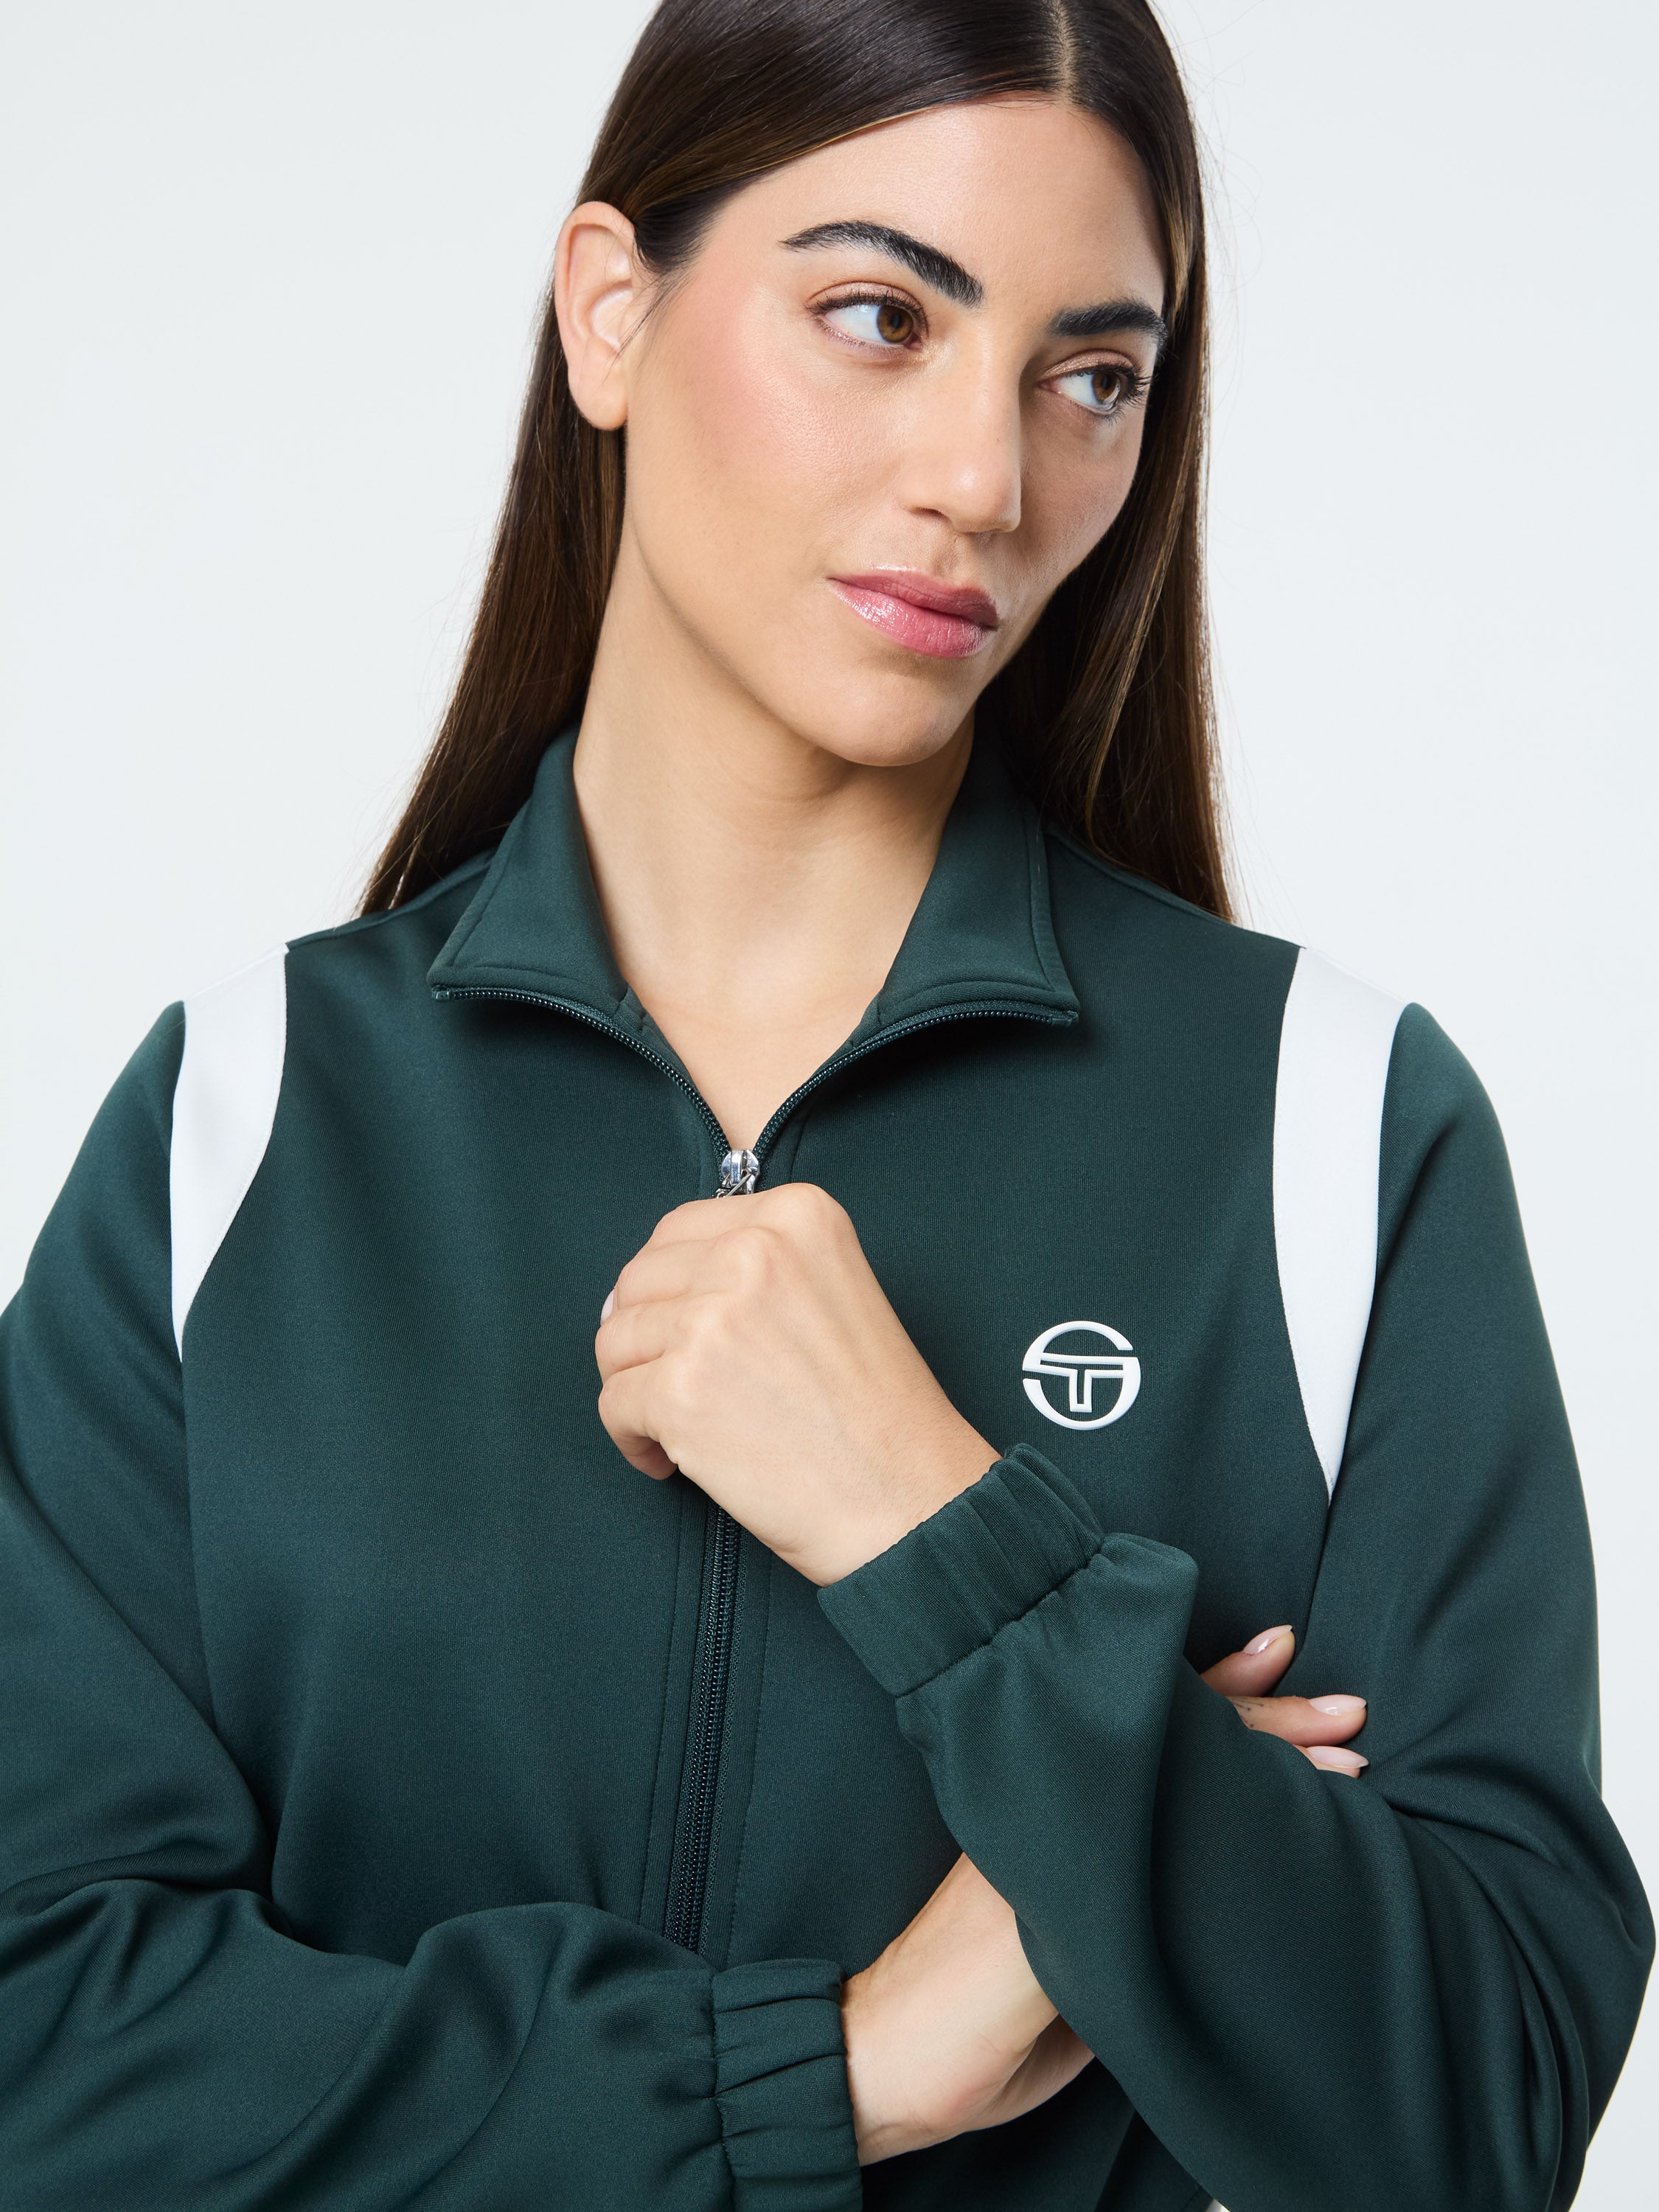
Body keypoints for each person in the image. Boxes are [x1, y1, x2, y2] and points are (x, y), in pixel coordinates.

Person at [0, 1, 1648, 2206]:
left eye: (1090, 378)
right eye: (879, 315)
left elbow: (1480, 2114)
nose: (986, 480)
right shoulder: (242, 1119)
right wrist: (832, 2071)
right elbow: (42, 2049)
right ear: (611, 311)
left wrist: (939, 1533)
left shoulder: (1335, 1130)